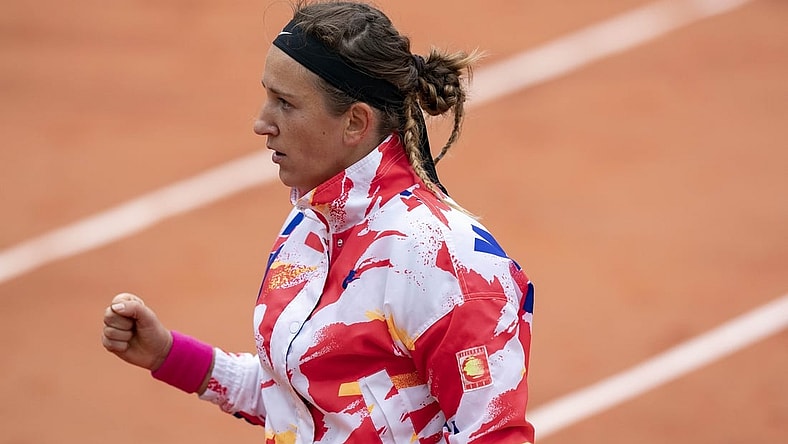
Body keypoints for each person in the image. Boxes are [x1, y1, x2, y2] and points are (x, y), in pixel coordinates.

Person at [101, 1, 536, 442]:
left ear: (355, 123)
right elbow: (302, 400)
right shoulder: (311, 225)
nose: (261, 123)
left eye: (285, 104)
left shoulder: (444, 263)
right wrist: (168, 355)